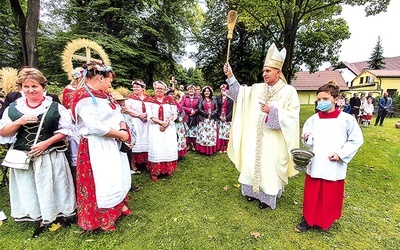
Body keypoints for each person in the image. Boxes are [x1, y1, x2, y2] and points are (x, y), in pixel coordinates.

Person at [0, 67, 75, 238]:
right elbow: (3, 132)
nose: (30, 90)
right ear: (21, 88)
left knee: (52, 185)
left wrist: (45, 143)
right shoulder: (14, 107)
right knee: (30, 187)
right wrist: (19, 121)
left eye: (34, 86)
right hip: (23, 156)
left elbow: (67, 130)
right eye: (26, 87)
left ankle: (58, 215)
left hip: (49, 154)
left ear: (43, 87)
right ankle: (38, 215)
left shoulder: (55, 106)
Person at [223, 43, 300, 209]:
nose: (264, 74)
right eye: (264, 71)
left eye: (268, 71)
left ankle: (267, 198)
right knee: (251, 164)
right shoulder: (257, 88)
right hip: (254, 137)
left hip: (274, 140)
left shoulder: (289, 91)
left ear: (278, 72)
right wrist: (230, 76)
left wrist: (272, 112)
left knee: (269, 168)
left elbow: (292, 115)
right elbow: (240, 95)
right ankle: (251, 193)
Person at [71, 61, 131, 232]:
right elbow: (95, 127)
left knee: (116, 175)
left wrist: (121, 128)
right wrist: (121, 135)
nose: (110, 84)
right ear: (99, 77)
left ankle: (118, 206)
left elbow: (118, 113)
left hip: (113, 140)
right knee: (103, 180)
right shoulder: (83, 96)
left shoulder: (106, 95)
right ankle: (102, 217)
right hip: (97, 145)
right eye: (109, 80)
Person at [295, 81, 363, 232]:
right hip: (316, 162)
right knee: (312, 193)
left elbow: (356, 140)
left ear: (336, 99)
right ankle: (308, 219)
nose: (321, 102)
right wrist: (306, 137)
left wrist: (340, 154)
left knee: (329, 194)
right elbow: (308, 141)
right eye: (319, 99)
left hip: (333, 163)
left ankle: (326, 220)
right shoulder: (313, 119)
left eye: (325, 99)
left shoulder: (347, 119)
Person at [147, 81, 178, 181]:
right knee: (157, 148)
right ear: (154, 89)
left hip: (168, 128)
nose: (159, 90)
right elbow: (150, 115)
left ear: (165, 90)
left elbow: (174, 113)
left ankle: (167, 169)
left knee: (167, 147)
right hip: (155, 128)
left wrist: (166, 123)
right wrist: (161, 123)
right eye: (157, 88)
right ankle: (155, 172)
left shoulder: (170, 100)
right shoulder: (150, 100)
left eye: (161, 88)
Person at [110, 91, 140, 192]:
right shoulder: (113, 118)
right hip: (119, 142)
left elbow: (132, 129)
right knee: (120, 164)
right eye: (120, 105)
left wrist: (132, 141)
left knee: (127, 162)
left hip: (128, 142)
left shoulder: (126, 115)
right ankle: (120, 184)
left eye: (123, 105)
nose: (122, 107)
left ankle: (129, 183)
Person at [125, 79, 152, 173]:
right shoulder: (130, 98)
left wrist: (146, 114)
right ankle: (133, 162)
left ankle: (146, 161)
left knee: (146, 139)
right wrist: (139, 115)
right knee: (137, 139)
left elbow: (152, 108)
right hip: (136, 121)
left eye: (138, 87)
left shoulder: (149, 98)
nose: (135, 88)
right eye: (134, 87)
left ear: (143, 88)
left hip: (146, 122)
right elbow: (127, 109)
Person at [62, 67, 83, 183]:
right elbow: (67, 106)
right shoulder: (69, 89)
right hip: (73, 120)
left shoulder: (87, 89)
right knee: (75, 147)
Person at [196, 86, 219, 155]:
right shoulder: (201, 99)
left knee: (211, 135)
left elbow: (217, 108)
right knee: (204, 135)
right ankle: (204, 150)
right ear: (203, 92)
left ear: (210, 92)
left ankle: (211, 150)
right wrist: (206, 115)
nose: (207, 92)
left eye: (208, 91)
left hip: (212, 120)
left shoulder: (214, 99)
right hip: (203, 119)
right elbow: (199, 108)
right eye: (205, 91)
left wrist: (211, 115)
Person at [167, 88, 187, 158]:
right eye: (170, 94)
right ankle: (173, 153)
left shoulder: (175, 102)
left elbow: (182, 111)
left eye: (173, 94)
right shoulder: (166, 103)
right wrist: (177, 118)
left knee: (180, 138)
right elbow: (169, 115)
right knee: (174, 138)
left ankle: (180, 153)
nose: (171, 95)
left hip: (179, 124)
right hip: (173, 124)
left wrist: (181, 117)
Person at [181, 85, 200, 151]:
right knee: (187, 131)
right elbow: (182, 106)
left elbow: (199, 107)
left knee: (194, 130)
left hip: (195, 116)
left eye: (192, 89)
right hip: (186, 116)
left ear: (194, 91)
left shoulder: (198, 98)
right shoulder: (184, 97)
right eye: (189, 89)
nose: (191, 90)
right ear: (187, 90)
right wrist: (189, 110)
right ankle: (188, 144)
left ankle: (194, 144)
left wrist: (194, 111)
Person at [216, 84, 233, 153]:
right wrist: (219, 116)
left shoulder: (231, 98)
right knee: (220, 132)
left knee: (226, 132)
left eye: (225, 89)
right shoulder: (218, 98)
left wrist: (227, 117)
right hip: (220, 117)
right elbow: (216, 108)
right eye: (222, 89)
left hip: (227, 118)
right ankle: (220, 146)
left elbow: (232, 109)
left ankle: (226, 147)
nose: (223, 90)